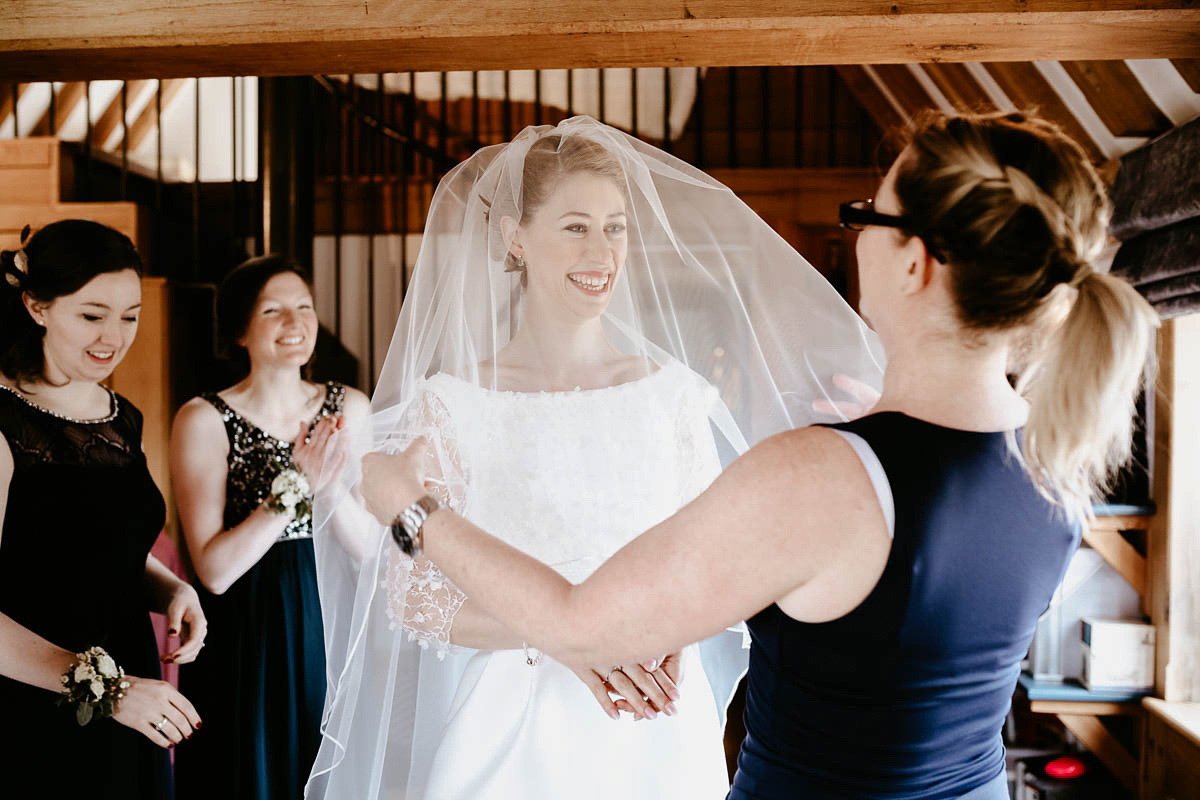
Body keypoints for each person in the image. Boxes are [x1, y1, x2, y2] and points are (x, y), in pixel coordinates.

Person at [361, 110, 1160, 799]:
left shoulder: (821, 475)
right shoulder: (1056, 460)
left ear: (913, 261)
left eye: (866, 217)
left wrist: (409, 505)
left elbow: (581, 624)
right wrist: (873, 439)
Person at [306, 117, 883, 799]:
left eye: (616, 227)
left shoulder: (672, 397)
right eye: (576, 226)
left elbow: (720, 564)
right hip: (509, 729)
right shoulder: (455, 404)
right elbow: (415, 597)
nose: (602, 251)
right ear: (515, 237)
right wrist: (573, 638)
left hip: (654, 724)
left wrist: (657, 630)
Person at [0, 219, 206, 799]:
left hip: (132, 697)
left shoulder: (122, 417)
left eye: (130, 315)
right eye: (92, 315)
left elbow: (98, 546)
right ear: (37, 306)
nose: (113, 336)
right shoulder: (3, 423)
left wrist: (169, 590)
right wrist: (110, 691)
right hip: (34, 708)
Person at [170, 256, 368, 799]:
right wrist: (295, 487)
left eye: (304, 307)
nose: (295, 322)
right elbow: (213, 571)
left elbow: (371, 551)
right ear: (240, 329)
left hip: (332, 611)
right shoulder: (204, 418)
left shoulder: (350, 407)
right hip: (249, 623)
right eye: (273, 310)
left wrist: (327, 491)